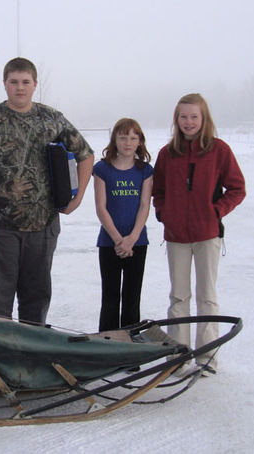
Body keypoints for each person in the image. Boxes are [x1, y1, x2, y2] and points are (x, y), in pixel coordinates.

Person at [0, 57, 94, 326]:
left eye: (25, 82)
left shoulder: (52, 118)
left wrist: (78, 197)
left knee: (36, 301)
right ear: (5, 84)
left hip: (42, 227)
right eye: (14, 82)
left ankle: (30, 362)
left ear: (35, 84)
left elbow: (85, 155)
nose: (20, 88)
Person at [153, 93, 246, 376]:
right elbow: (158, 192)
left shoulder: (219, 150)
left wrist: (217, 210)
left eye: (194, 116)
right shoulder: (167, 154)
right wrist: (164, 213)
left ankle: (206, 359)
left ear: (203, 119)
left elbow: (237, 188)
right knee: (179, 298)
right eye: (183, 117)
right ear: (176, 120)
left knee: (207, 296)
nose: (189, 122)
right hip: (177, 236)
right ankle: (179, 357)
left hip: (207, 235)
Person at [93, 118, 153, 332]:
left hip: (137, 242)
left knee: (131, 297)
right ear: (115, 140)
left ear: (139, 142)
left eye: (133, 138)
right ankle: (107, 345)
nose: (128, 143)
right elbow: (101, 207)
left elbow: (145, 205)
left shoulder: (144, 170)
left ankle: (131, 345)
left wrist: (132, 238)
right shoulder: (102, 169)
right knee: (110, 297)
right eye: (123, 137)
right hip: (110, 243)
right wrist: (119, 240)